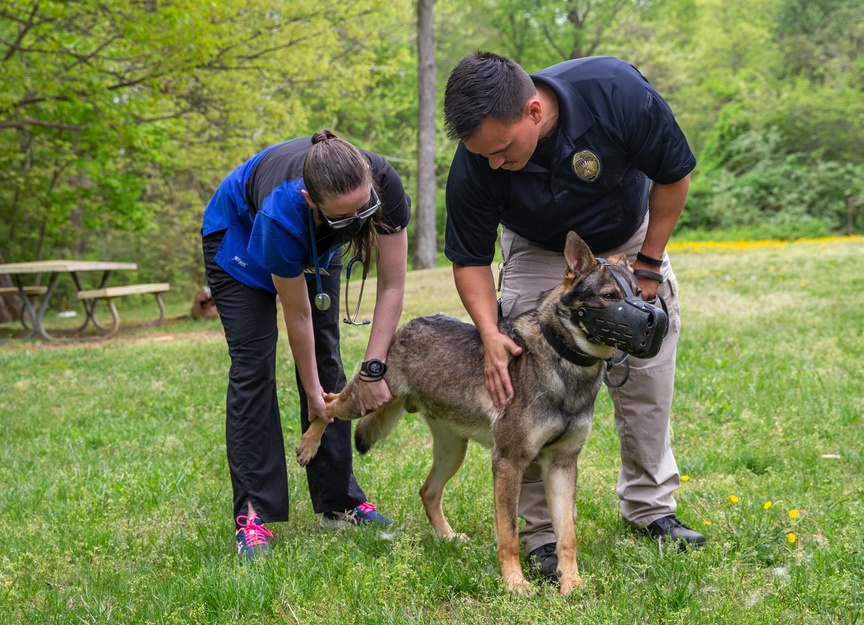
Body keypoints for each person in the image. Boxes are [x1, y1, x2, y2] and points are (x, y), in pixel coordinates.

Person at [442, 52, 705, 580]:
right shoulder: (477, 157)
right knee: (525, 388)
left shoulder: (617, 93)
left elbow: (675, 175)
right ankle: (539, 534)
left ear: (534, 112)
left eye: (500, 150)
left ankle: (651, 509)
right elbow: (469, 257)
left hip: (630, 239)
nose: (493, 163)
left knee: (647, 377)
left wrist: (650, 264)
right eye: (483, 155)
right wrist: (491, 334)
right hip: (542, 251)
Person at [201, 129, 410, 560]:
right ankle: (254, 515)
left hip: (315, 238)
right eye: (346, 217)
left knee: (327, 353)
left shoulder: (382, 182)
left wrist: (372, 368)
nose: (360, 222)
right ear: (313, 201)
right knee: (253, 366)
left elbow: (392, 285)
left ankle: (339, 502)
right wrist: (316, 396)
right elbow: (297, 316)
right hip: (237, 236)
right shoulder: (283, 213)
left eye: (365, 207)